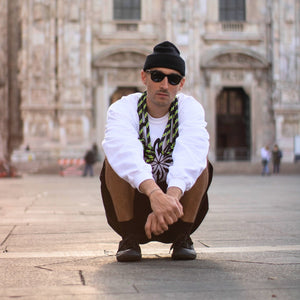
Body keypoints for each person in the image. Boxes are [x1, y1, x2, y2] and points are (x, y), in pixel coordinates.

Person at [100, 41, 213, 262]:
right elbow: (123, 150)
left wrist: (169, 199)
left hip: (177, 210)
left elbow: (191, 149)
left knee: (201, 158)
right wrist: (154, 194)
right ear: (144, 77)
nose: (164, 84)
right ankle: (129, 238)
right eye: (157, 76)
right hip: (132, 213)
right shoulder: (123, 108)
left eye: (173, 79)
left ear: (181, 84)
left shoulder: (190, 108)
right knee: (113, 158)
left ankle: (182, 237)